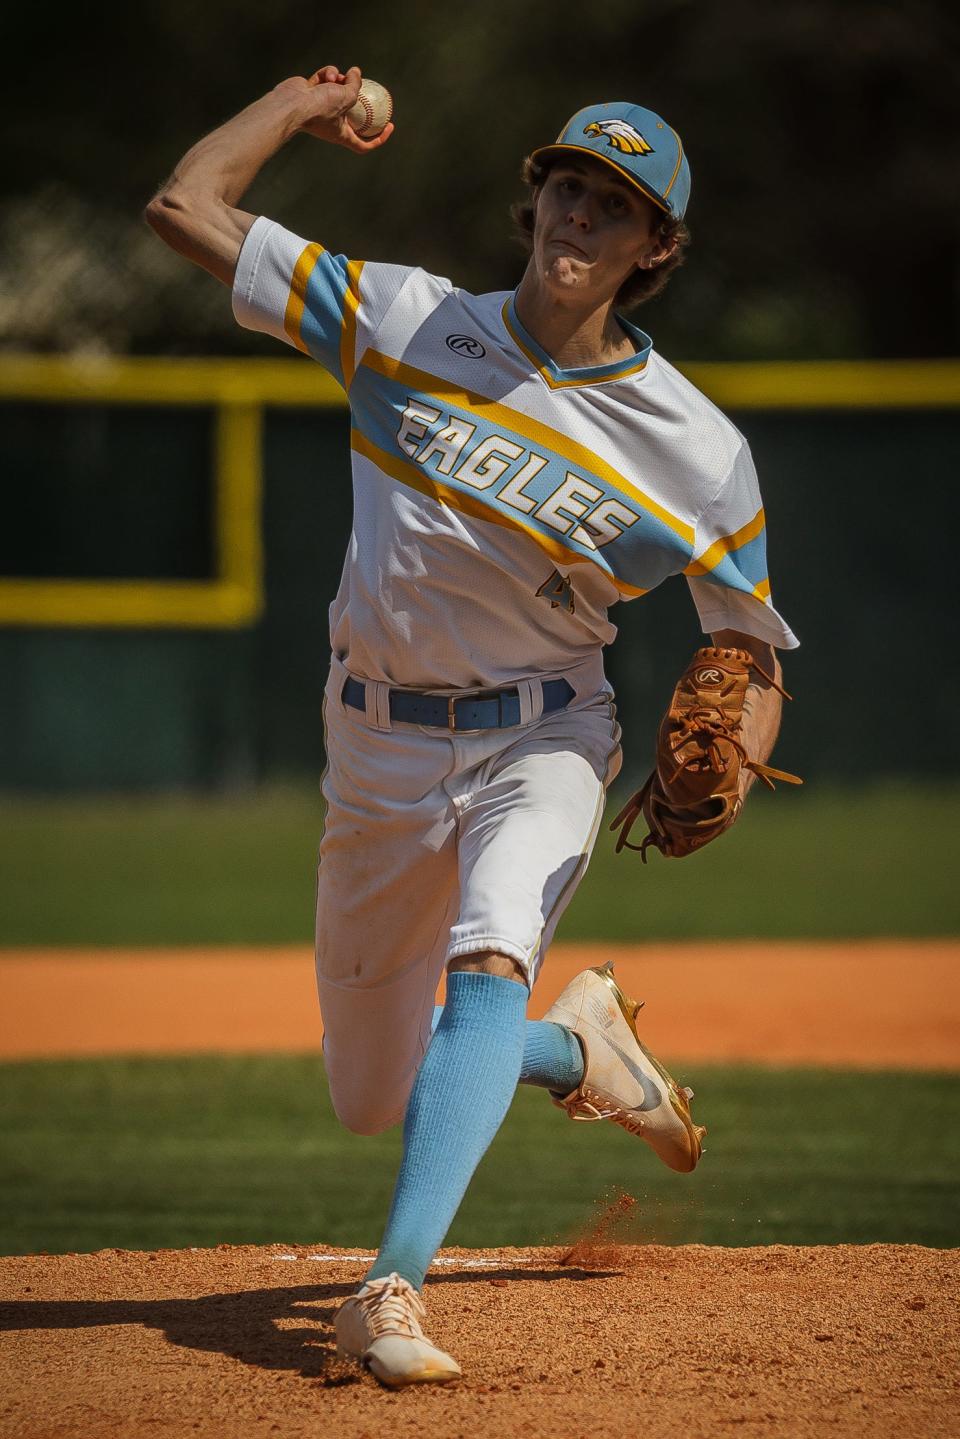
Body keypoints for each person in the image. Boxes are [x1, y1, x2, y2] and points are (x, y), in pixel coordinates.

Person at [145, 65, 798, 1388]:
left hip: (546, 734)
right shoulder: (402, 317)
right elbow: (183, 203)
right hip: (375, 746)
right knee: (371, 1097)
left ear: (654, 248)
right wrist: (295, 101)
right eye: (567, 186)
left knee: (489, 955)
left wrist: (734, 755)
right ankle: (582, 1052)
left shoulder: (699, 451)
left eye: (614, 208)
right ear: (534, 200)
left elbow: (748, 647)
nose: (579, 217)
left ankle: (387, 1292)